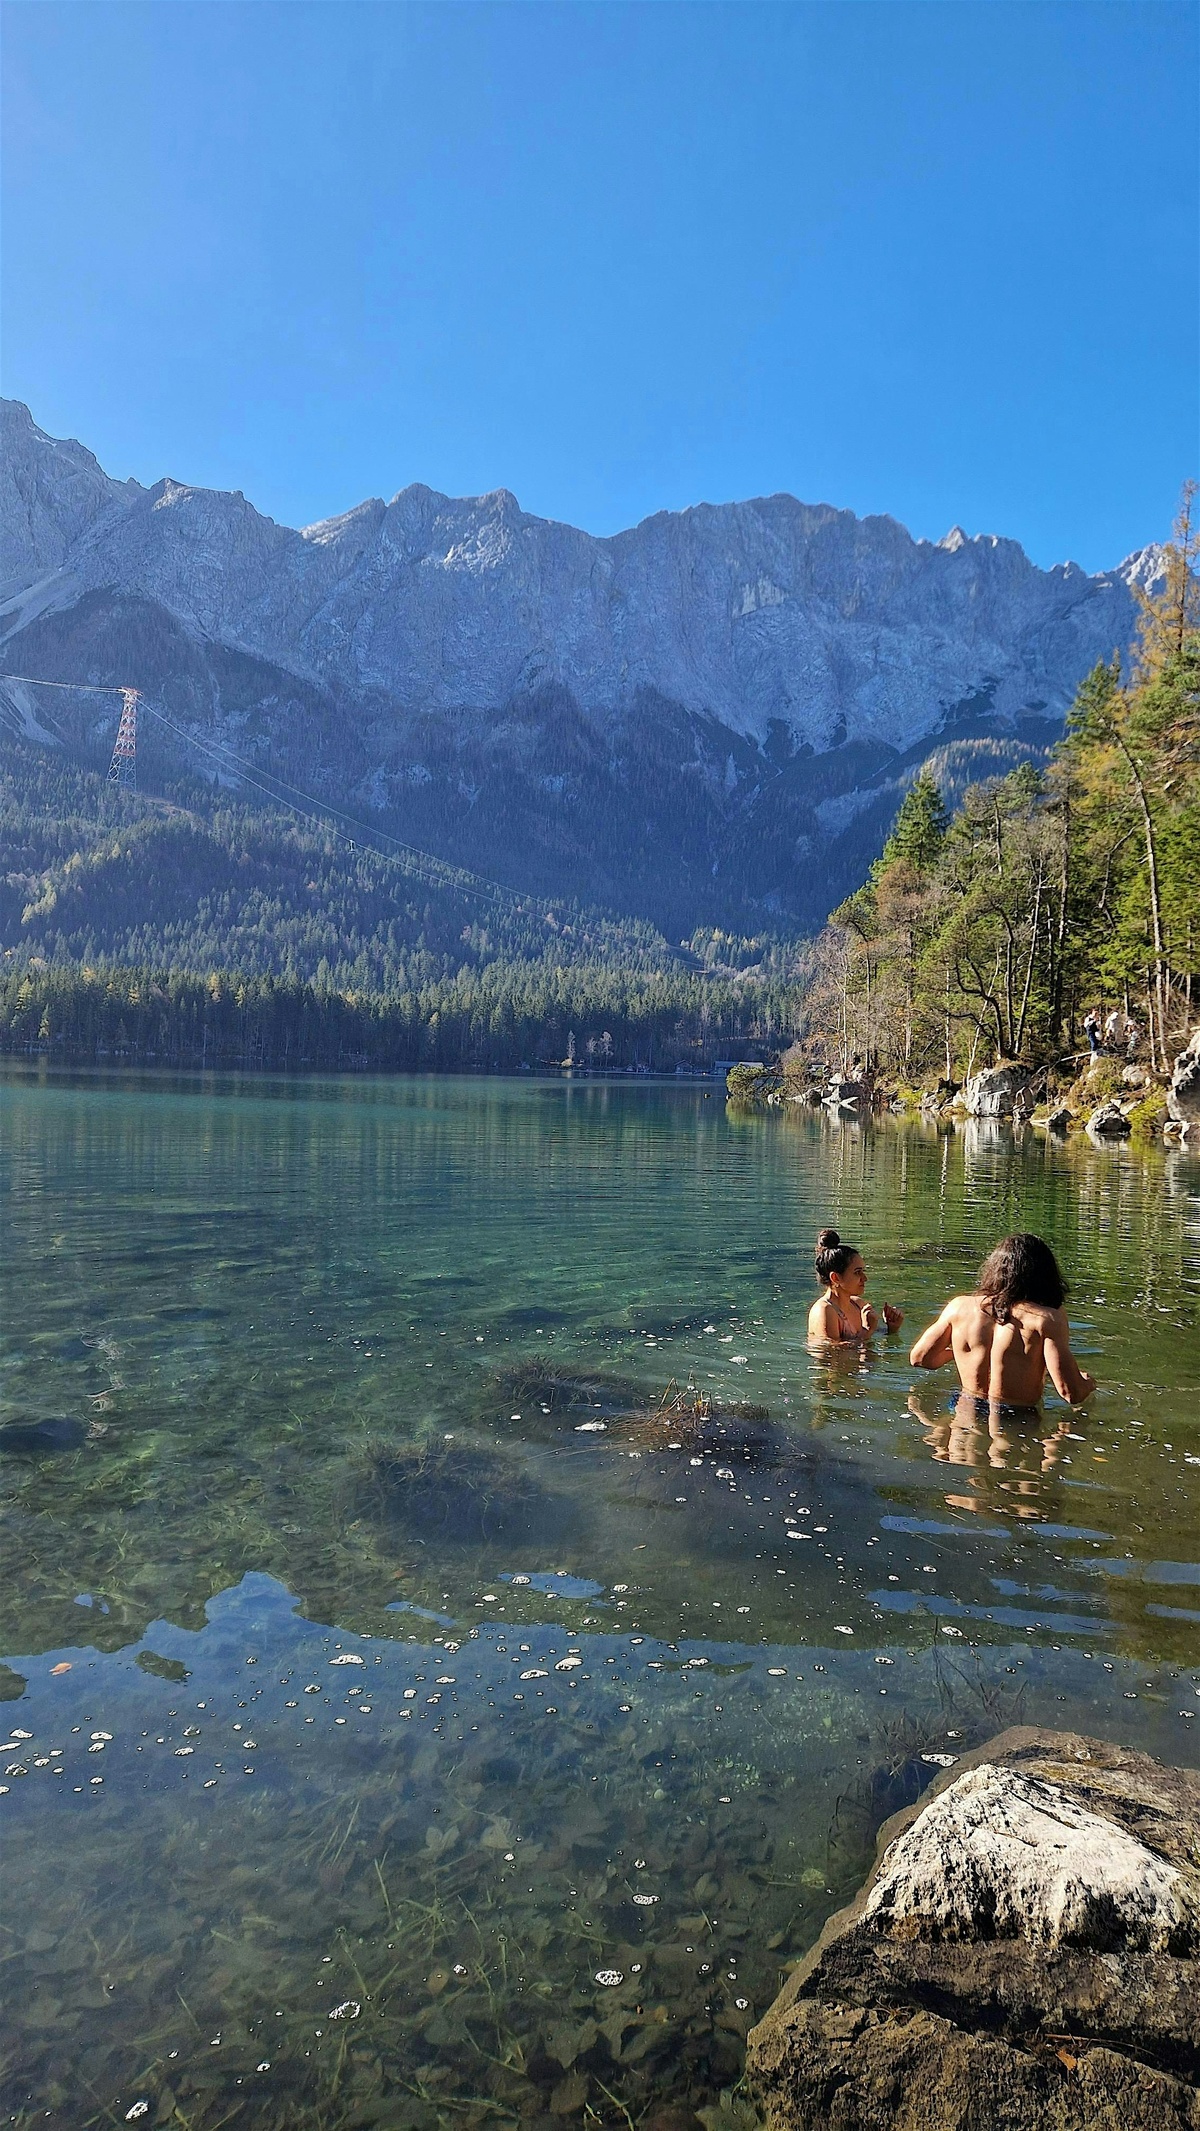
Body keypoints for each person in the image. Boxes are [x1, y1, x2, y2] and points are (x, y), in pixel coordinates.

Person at [908, 1233, 1096, 1407]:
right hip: (1018, 1419)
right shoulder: (1045, 1319)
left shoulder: (959, 1307)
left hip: (966, 1406)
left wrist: (960, 1353)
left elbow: (920, 1358)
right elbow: (1071, 1393)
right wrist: (1087, 1384)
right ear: (1045, 1275)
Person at [807, 1228, 904, 1343]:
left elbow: (869, 1338)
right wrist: (866, 1330)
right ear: (836, 1278)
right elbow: (831, 1355)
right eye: (857, 1272)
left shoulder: (858, 1304)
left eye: (863, 1271)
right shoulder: (825, 1311)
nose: (865, 1278)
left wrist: (892, 1329)